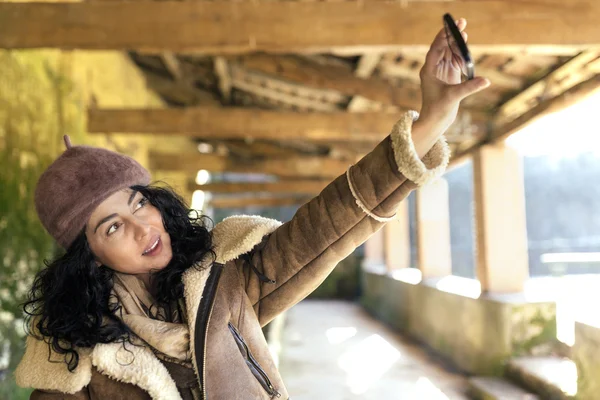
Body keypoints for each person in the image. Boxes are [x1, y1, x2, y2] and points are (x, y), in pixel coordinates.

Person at [14, 19, 489, 400]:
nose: (143, 228)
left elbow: (330, 224)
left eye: (140, 202)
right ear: (88, 255)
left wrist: (428, 123)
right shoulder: (71, 361)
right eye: (113, 226)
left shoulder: (225, 279)